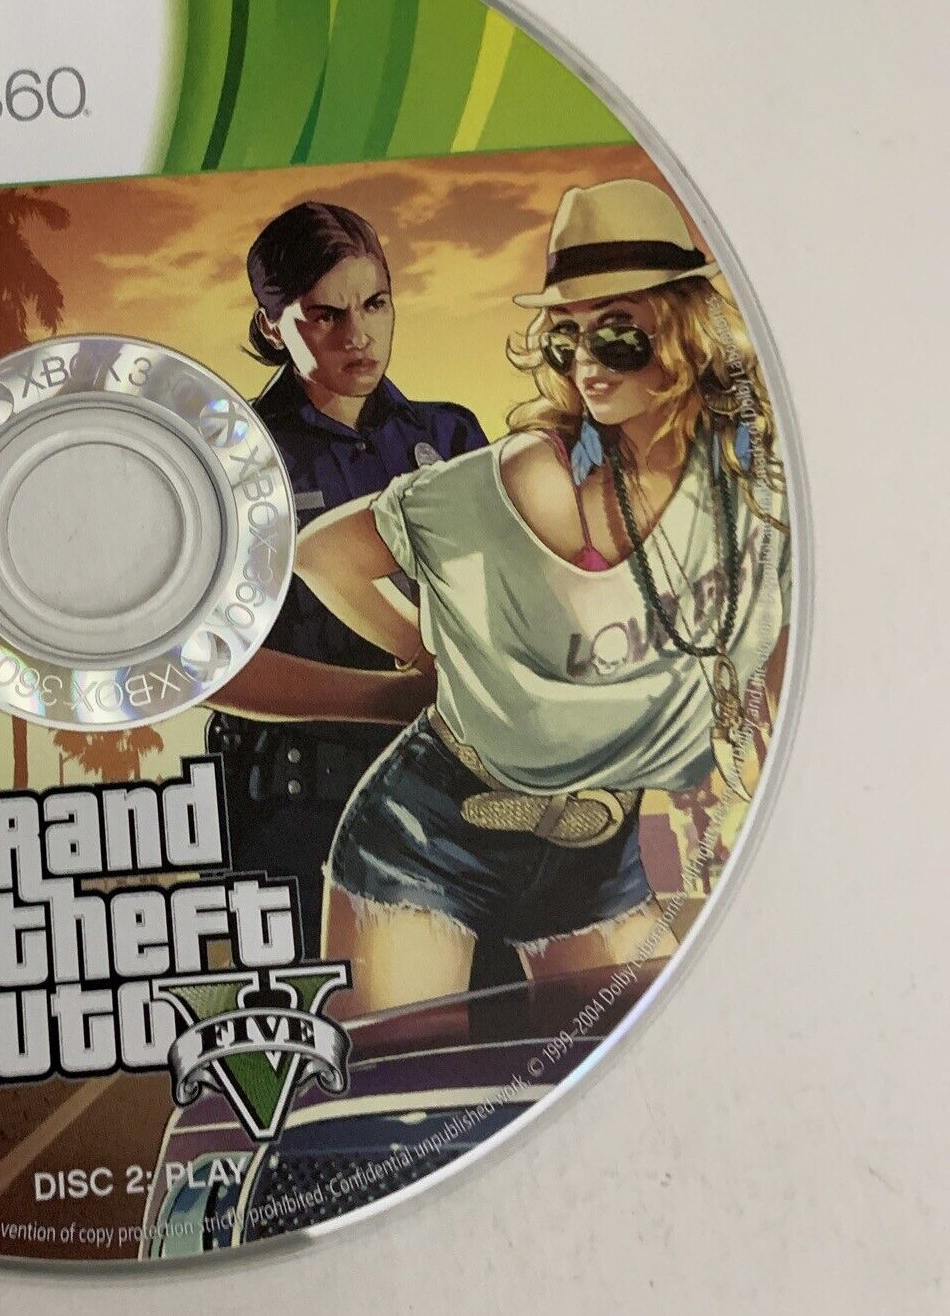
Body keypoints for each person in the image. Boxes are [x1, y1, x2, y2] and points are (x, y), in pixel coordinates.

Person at [293, 179, 790, 1014]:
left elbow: (774, 677)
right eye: (567, 338)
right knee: (398, 1085)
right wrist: (428, 651)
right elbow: (325, 555)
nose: (587, 361)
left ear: (686, 329)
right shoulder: (533, 476)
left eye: (617, 333)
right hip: (432, 830)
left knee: (627, 1059)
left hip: (607, 849)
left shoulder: (754, 487)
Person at [207, 200, 486, 956]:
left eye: (375, 304)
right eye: (325, 315)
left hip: (454, 798)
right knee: (323, 1023)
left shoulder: (450, 436)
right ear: (271, 327)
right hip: (294, 815)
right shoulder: (230, 459)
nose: (357, 335)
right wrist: (394, 698)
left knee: (490, 1014)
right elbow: (207, 668)